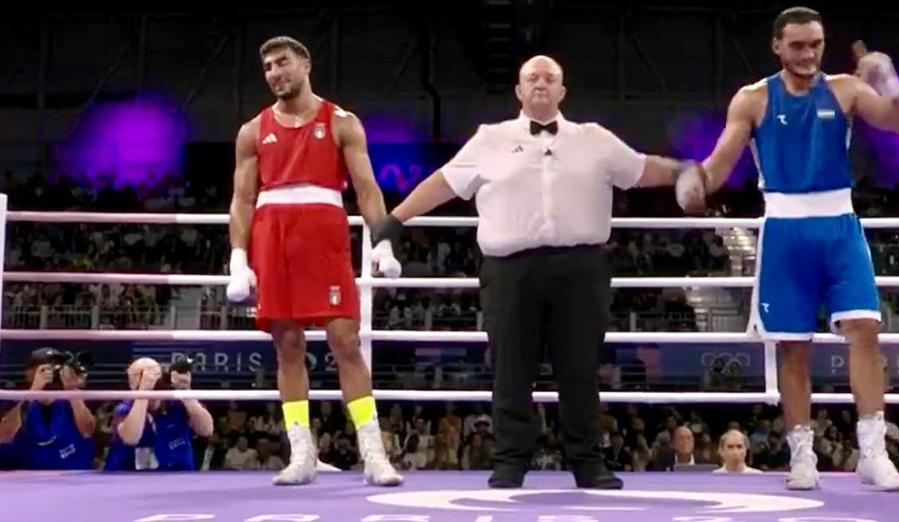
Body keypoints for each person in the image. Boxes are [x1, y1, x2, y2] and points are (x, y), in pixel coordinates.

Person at [370, 54, 704, 489]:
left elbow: (641, 169)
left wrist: (683, 169)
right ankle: (510, 462)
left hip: (581, 268)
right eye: (532, 77)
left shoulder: (594, 139)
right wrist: (395, 220)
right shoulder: (489, 139)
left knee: (580, 369)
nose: (541, 83)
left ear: (562, 91)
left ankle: (588, 462)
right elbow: (443, 183)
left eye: (549, 78)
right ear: (519, 90)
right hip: (510, 270)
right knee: (511, 369)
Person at [690, 7, 899, 491]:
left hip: (839, 225)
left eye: (815, 44)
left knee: (865, 330)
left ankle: (874, 454)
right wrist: (693, 182)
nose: (808, 53)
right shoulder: (753, 99)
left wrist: (891, 83)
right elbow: (720, 162)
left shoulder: (846, 89)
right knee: (793, 347)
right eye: (797, 45)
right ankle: (802, 456)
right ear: (777, 46)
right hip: (784, 228)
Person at [225, 35, 402, 486]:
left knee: (346, 341)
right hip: (273, 238)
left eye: (282, 62)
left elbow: (366, 189)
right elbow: (242, 200)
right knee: (287, 346)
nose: (275, 73)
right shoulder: (252, 131)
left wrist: (382, 242)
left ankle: (374, 454)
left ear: (305, 65)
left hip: (324, 237)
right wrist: (238, 257)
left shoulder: (341, 122)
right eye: (268, 67)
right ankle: (302, 453)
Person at [103, 358, 214, 471]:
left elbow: (206, 430)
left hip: (178, 474)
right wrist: (143, 392)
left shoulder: (179, 403)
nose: (149, 381)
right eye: (139, 377)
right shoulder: (125, 408)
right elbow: (131, 438)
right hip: (129, 477)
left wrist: (185, 392)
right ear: (131, 385)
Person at [0, 348, 95, 470]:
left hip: (70, 473)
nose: (52, 372)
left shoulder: (73, 400)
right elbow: (3, 436)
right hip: (25, 475)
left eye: (56, 366)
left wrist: (72, 390)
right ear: (30, 374)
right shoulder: (15, 399)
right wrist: (33, 391)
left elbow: (87, 431)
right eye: (45, 368)